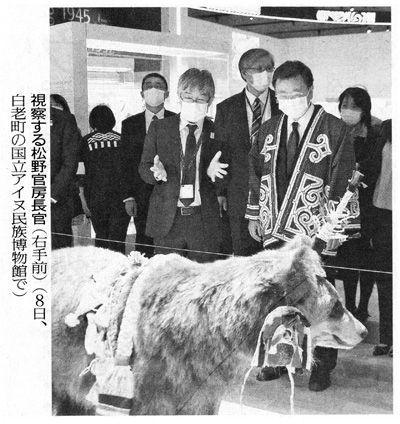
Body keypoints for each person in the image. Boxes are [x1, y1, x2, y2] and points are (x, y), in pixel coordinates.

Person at [245, 60, 357, 391]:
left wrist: (334, 231)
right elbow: (255, 174)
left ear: (310, 91)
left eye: (296, 93)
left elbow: (343, 181)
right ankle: (279, 359)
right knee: (278, 297)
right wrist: (254, 214)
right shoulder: (268, 129)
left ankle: (322, 364)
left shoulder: (334, 130)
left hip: (316, 232)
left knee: (318, 298)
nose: (289, 99)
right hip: (274, 228)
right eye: (281, 94)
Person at [139, 68, 223, 263]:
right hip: (168, 218)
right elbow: (144, 166)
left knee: (202, 276)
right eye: (188, 97)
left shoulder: (218, 132)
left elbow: (227, 177)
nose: (194, 103)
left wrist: (215, 175)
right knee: (167, 276)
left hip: (203, 220)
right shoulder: (160, 128)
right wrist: (155, 174)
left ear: (210, 101)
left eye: (200, 99)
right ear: (179, 97)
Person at [213, 48, 280, 256]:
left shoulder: (282, 102)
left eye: (269, 68)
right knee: (244, 257)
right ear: (244, 74)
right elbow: (221, 152)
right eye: (258, 69)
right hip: (239, 193)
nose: (265, 73)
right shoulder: (227, 108)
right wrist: (220, 191)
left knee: (278, 259)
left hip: (278, 192)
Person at [334, 87, 380, 322]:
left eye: (355, 106)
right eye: (345, 105)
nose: (348, 110)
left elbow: (375, 167)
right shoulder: (336, 130)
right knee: (348, 258)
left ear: (365, 109)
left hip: (367, 204)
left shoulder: (375, 132)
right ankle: (350, 305)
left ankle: (363, 306)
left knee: (367, 258)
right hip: (343, 205)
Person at [121, 73, 176, 257]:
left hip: (170, 192)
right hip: (141, 193)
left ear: (166, 93)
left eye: (159, 86)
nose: (153, 89)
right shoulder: (129, 124)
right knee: (143, 242)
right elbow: (126, 163)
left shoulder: (177, 120)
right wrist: (129, 197)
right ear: (142, 93)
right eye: (148, 85)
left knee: (169, 242)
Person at [79, 105, 131, 253]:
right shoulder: (122, 139)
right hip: (121, 197)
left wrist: (82, 198)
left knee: (101, 237)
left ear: (92, 121)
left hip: (95, 196)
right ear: (112, 120)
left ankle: (102, 266)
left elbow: (80, 174)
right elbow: (129, 170)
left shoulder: (85, 141)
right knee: (118, 239)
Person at [367, 120, 392, 357]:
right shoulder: (387, 128)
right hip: (383, 212)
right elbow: (373, 167)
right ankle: (386, 338)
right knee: (384, 279)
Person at [50, 106, 81, 249]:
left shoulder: (64, 119)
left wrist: (52, 195)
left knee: (59, 253)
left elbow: (70, 162)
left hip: (55, 202)